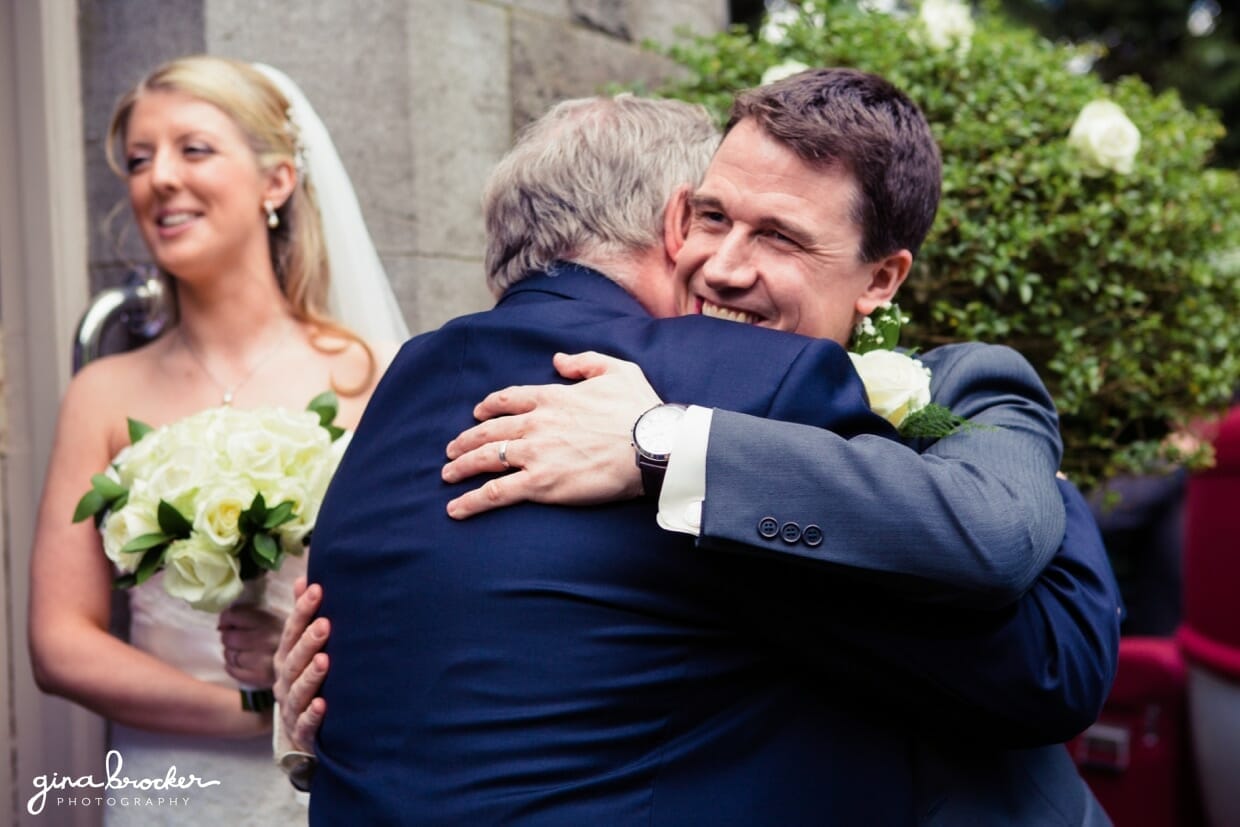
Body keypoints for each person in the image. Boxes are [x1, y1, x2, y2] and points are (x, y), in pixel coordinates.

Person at [294, 79, 1118, 824]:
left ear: (882, 279)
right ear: (672, 222)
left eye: (781, 239)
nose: (721, 267)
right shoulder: (736, 380)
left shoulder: (413, 380)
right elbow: (1052, 664)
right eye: (712, 218)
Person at [27, 55, 407, 825]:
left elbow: (413, 611)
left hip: (323, 784)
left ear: (276, 182)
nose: (158, 178)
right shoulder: (103, 392)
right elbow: (59, 640)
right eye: (139, 160)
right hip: (165, 785)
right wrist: (252, 706)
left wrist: (298, 681)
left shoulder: (367, 378)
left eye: (192, 149)